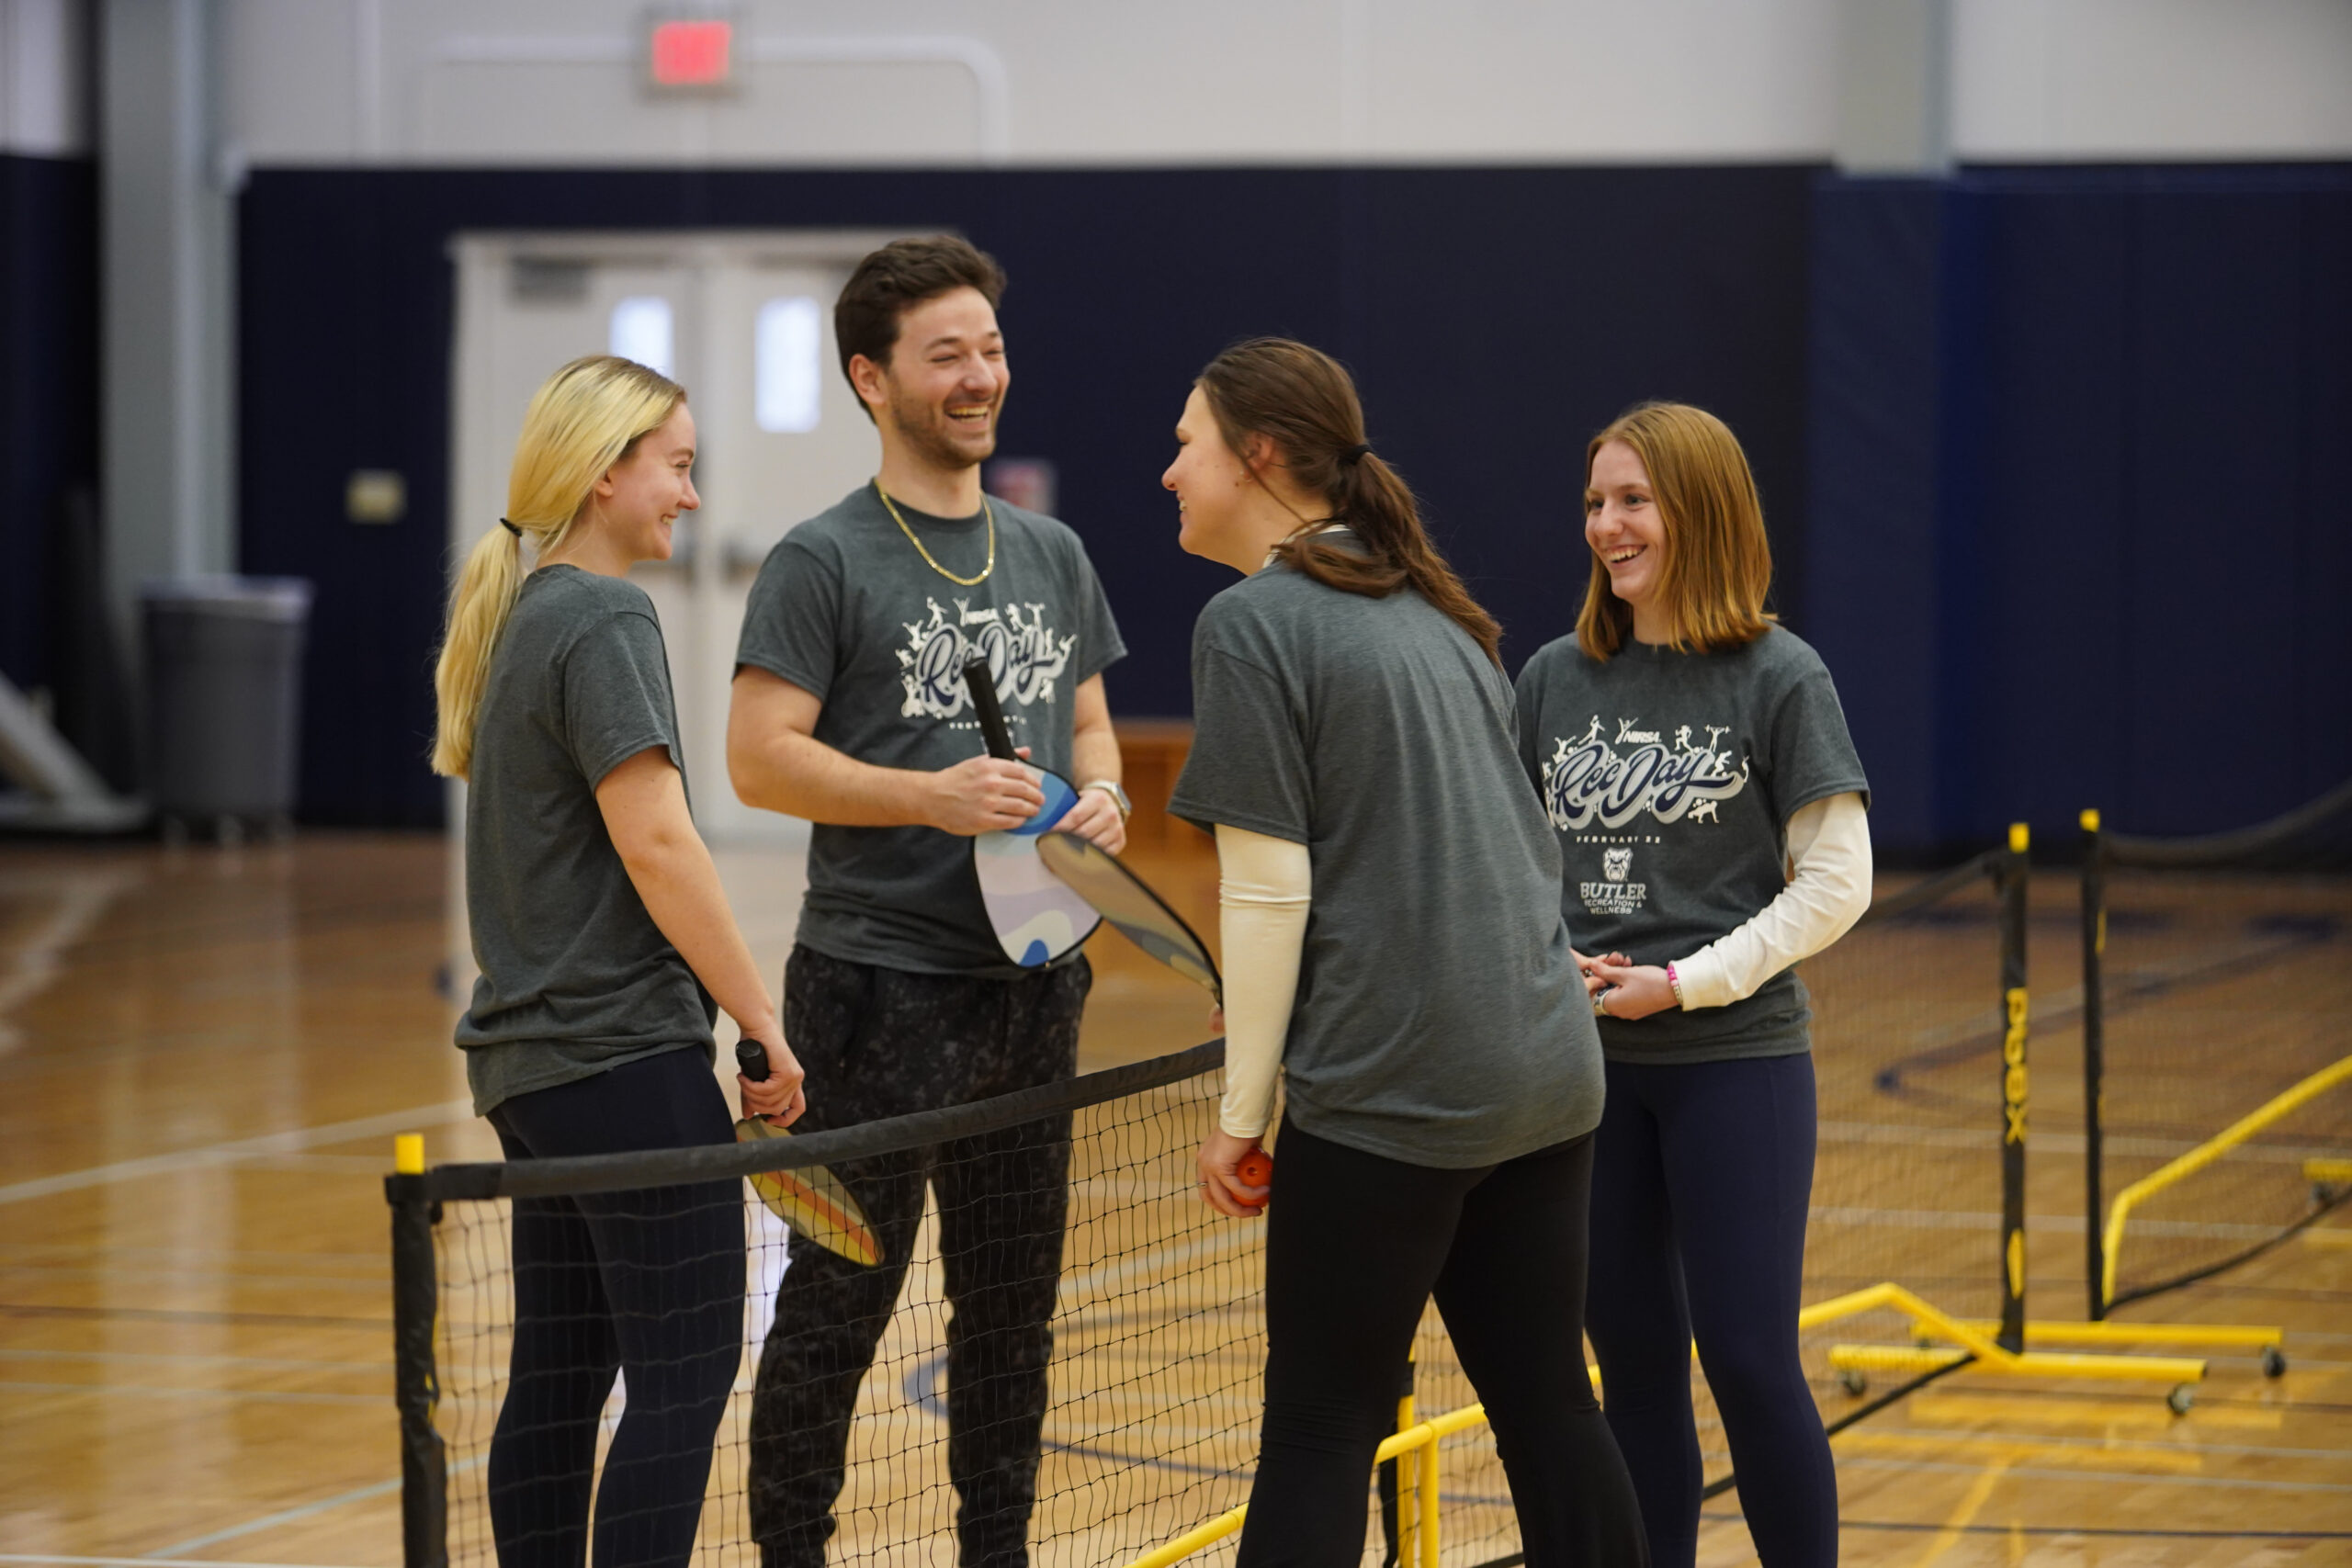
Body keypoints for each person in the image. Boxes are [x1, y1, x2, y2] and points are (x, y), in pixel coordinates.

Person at [1165, 338, 1648, 1568]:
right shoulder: (1437, 609)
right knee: (1550, 1402)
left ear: (1258, 455)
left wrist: (1242, 1108)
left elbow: (1269, 893)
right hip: (1544, 1071)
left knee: (1322, 1427)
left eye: (1188, 442)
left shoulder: (1253, 623)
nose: (1170, 471)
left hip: (1399, 1094)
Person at [729, 235, 1128, 1568]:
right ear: (870, 377)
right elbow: (756, 754)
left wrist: (1106, 798)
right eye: (946, 354)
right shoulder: (820, 558)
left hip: (1035, 984)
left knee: (1011, 1310)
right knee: (836, 1306)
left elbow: (1090, 722)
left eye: (991, 349)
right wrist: (927, 795)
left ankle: (997, 1551)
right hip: (871, 990)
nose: (979, 378)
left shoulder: (1054, 550)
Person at [433, 354, 807, 1568]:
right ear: (606, 474)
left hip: (535, 1077)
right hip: (620, 1061)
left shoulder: (529, 613)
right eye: (679, 467)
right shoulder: (600, 613)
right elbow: (658, 842)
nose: (692, 497)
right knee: (688, 1365)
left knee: (559, 1365)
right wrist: (759, 1017)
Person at [1512, 401, 1872, 1568]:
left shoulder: (1780, 675)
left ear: (1699, 510)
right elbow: (1511, 863)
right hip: (1588, 1075)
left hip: (1735, 1065)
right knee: (1631, 1369)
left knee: (1751, 1360)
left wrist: (1688, 981)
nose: (1606, 527)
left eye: (1631, 502)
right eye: (1593, 503)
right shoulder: (1551, 679)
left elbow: (1835, 885)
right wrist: (1546, 950)